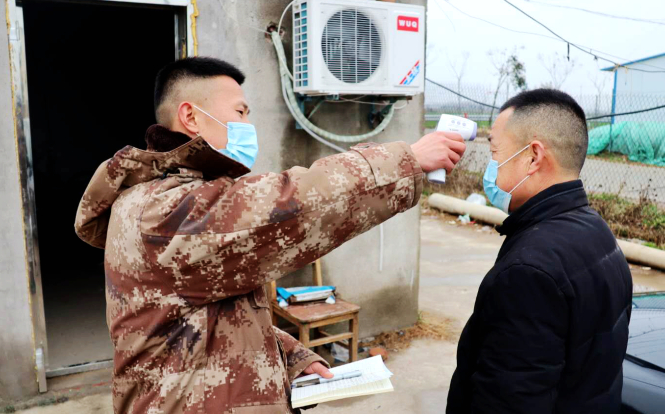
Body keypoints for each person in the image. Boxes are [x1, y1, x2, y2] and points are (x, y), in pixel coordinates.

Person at [74, 56, 466, 414]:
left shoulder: (178, 195)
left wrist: (291, 356)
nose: (248, 126)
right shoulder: (166, 211)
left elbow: (215, 318)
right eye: (239, 112)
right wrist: (406, 161)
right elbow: (297, 204)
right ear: (191, 117)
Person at [447, 89, 633, 414]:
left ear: (533, 157)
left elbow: (509, 402)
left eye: (494, 152)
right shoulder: (597, 230)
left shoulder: (528, 271)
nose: (491, 166)